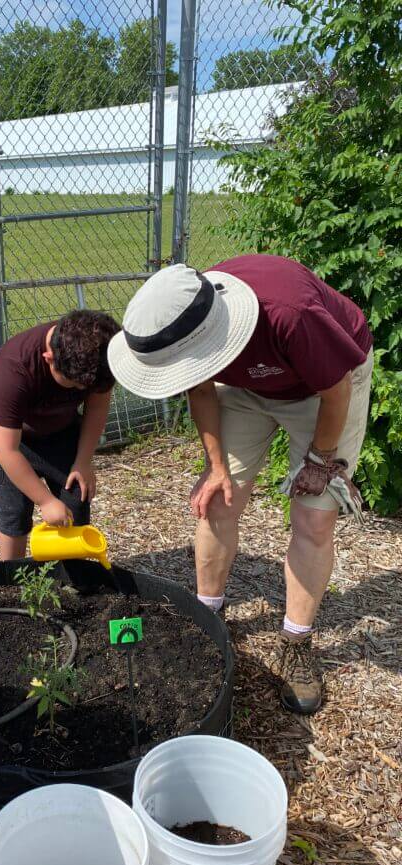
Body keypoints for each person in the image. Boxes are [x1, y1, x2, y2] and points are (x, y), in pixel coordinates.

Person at [107, 255, 373, 714]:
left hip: (324, 389)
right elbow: (201, 388)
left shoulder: (289, 314)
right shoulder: (184, 318)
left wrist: (319, 460)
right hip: (248, 388)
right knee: (217, 500)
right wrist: (216, 467)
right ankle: (207, 613)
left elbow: (338, 389)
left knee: (313, 520)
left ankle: (296, 644)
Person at [0, 309, 120, 559]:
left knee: (76, 501)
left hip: (61, 429)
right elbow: (4, 448)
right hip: (9, 437)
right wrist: (45, 501)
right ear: (49, 358)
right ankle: (13, 582)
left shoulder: (98, 353)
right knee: (15, 515)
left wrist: (84, 461)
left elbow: (97, 407)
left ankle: (72, 580)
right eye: (75, 385)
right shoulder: (16, 368)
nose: (80, 390)